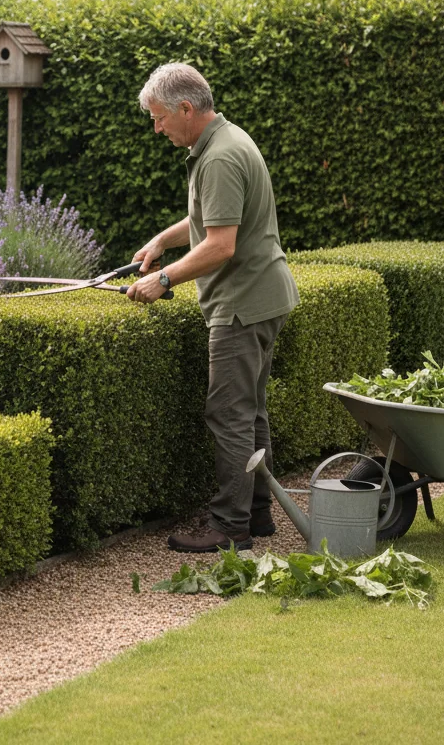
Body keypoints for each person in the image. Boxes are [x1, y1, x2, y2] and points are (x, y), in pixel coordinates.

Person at [126, 62, 299, 552]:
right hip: (263, 298)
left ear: (185, 108)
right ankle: (258, 514)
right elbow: (209, 216)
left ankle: (229, 526)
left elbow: (221, 244)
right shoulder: (225, 141)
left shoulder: (219, 157)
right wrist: (164, 239)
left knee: (228, 415)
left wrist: (164, 279)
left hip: (241, 305)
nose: (156, 128)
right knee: (250, 413)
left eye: (159, 117)